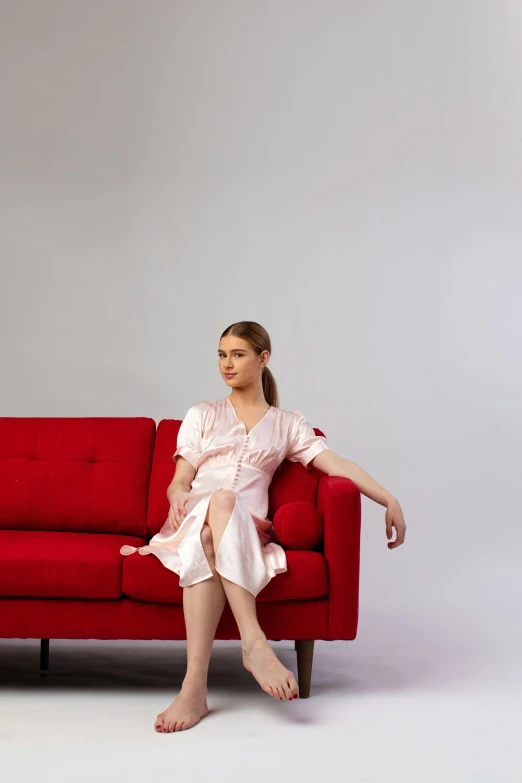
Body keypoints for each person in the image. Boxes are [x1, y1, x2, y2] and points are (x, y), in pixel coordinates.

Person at [121, 321, 406, 732]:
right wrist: (177, 495)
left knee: (216, 525)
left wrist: (387, 498)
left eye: (237, 354)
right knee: (214, 508)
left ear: (263, 358)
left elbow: (337, 465)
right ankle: (252, 643)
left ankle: (194, 691)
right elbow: (179, 480)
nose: (227, 364)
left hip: (247, 530)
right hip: (195, 516)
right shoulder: (202, 414)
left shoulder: (288, 424)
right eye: (221, 355)